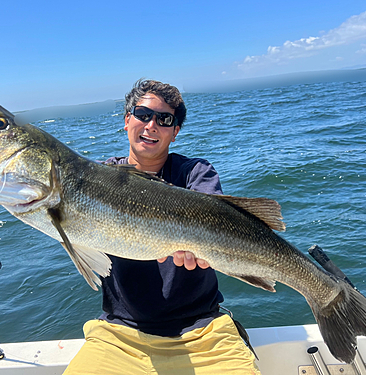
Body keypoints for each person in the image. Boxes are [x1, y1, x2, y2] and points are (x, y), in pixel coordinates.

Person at [63, 79, 260, 374]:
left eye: (164, 119)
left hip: (203, 331)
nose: (151, 125)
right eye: (143, 114)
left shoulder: (195, 173)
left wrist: (200, 242)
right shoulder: (99, 178)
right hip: (119, 335)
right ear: (127, 119)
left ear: (175, 132)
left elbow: (215, 214)